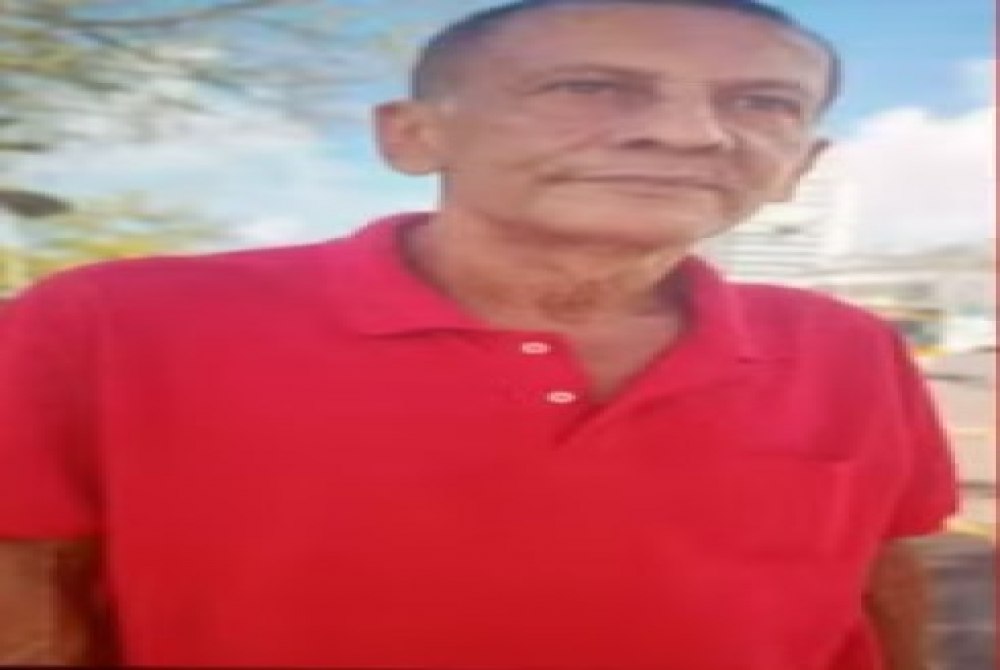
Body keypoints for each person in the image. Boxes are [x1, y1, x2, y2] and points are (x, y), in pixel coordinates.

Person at [0, 1, 958, 668]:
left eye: (763, 103)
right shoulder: (116, 322)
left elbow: (883, 578)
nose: (689, 133)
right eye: (591, 87)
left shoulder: (848, 348)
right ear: (413, 135)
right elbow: (31, 583)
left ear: (800, 165)